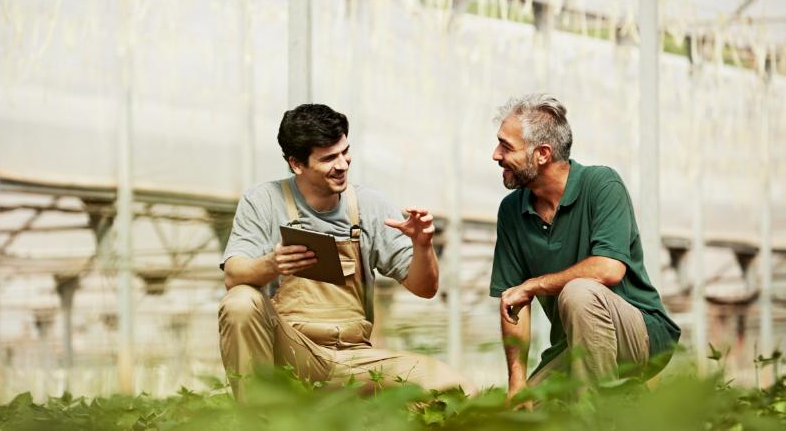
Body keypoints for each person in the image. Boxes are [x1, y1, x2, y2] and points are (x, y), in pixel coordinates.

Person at [218, 103, 474, 399]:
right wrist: (272, 264)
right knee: (240, 301)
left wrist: (423, 245)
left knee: (458, 391)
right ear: (297, 164)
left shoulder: (370, 205)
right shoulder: (263, 201)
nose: (342, 164)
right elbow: (233, 275)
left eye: (344, 151)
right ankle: (259, 421)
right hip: (293, 350)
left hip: (354, 358)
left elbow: (425, 288)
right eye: (328, 158)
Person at [489, 94, 680, 401]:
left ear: (542, 154)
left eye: (506, 146)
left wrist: (534, 285)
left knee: (578, 291)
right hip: (572, 347)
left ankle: (597, 419)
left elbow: (608, 268)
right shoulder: (511, 211)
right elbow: (513, 301)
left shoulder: (601, 184)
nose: (496, 155)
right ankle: (626, 399)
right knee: (522, 417)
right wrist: (517, 383)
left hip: (642, 334)